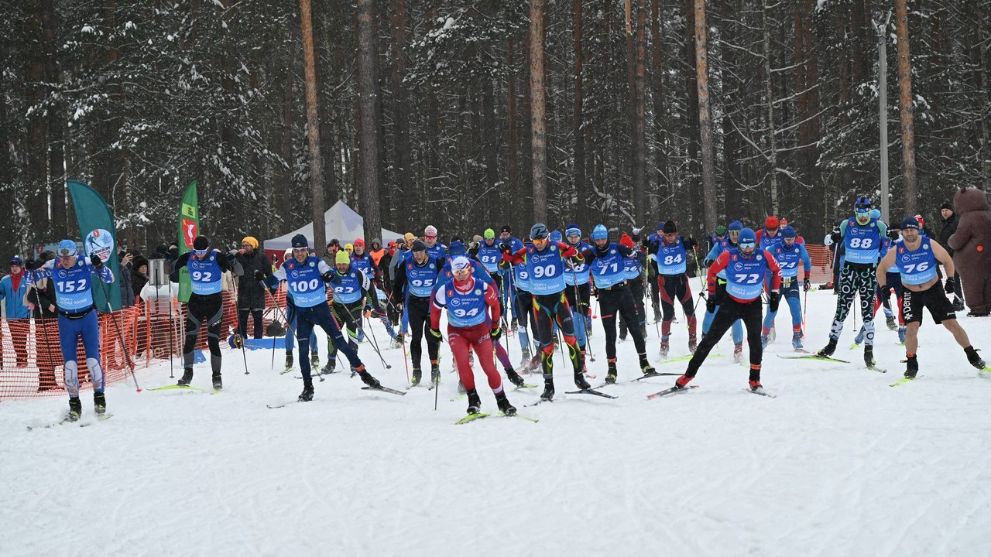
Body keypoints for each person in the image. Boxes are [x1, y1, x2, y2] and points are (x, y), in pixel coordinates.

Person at [265, 234, 381, 401]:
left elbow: (330, 273)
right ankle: (308, 388)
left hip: (321, 311)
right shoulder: (287, 265)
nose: (299, 254)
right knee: (303, 351)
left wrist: (329, 276)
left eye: (302, 250)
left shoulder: (316, 262)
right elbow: (273, 280)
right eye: (296, 250)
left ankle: (364, 374)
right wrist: (264, 280)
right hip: (303, 314)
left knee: (340, 342)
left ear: (307, 250)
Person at [673, 228, 781, 394]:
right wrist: (712, 295)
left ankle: (754, 380)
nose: (747, 249)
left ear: (755, 243)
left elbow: (776, 270)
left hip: (753, 305)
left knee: (755, 341)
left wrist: (774, 293)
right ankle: (688, 375)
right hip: (731, 303)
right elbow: (712, 272)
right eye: (744, 245)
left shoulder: (763, 255)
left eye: (751, 245)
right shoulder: (729, 255)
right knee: (710, 339)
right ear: (738, 244)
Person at [877, 216, 986, 378]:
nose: (909, 233)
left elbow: (948, 260)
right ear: (902, 232)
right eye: (906, 231)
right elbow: (881, 269)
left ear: (917, 230)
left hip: (933, 289)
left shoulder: (928, 244)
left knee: (951, 323)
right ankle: (912, 363)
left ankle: (972, 355)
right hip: (910, 293)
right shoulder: (897, 250)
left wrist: (950, 279)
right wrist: (884, 287)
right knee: (911, 327)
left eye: (912, 230)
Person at [504, 223, 590, 400]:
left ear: (547, 237)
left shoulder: (556, 247)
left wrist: (572, 254)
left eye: (542, 240)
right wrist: (505, 253)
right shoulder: (527, 252)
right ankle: (548, 386)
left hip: (559, 300)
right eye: (535, 240)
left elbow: (580, 260)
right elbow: (507, 263)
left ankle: (579, 377)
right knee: (547, 347)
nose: (539, 243)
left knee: (570, 340)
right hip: (540, 304)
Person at [33, 240, 115, 419]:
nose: (65, 261)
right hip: (66, 321)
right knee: (70, 365)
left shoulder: (84, 263)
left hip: (88, 318)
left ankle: (99, 398)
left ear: (74, 254)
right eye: (62, 257)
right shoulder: (53, 265)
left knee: (93, 361)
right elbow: (30, 279)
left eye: (68, 257)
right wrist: (32, 269)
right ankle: (74, 404)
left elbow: (110, 278)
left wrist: (99, 265)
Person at [430, 256, 517, 416]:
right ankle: (473, 399)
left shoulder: (481, 287)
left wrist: (496, 327)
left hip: (480, 330)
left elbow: (495, 306)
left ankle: (502, 400)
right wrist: (434, 329)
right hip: (457, 332)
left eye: (463, 271)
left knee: (488, 367)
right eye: (457, 272)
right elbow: (435, 310)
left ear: (470, 269)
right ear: (452, 273)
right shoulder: (445, 290)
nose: (461, 275)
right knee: (462, 364)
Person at [581, 224, 656, 383]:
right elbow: (575, 264)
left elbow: (636, 255)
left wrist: (643, 251)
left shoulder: (618, 248)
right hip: (606, 296)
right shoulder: (591, 253)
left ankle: (644, 362)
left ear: (607, 238)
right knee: (610, 334)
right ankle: (612, 369)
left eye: (603, 238)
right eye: (598, 239)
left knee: (635, 328)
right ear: (594, 239)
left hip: (623, 292)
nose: (600, 242)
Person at [818, 196, 888, 368]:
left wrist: (892, 237)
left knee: (867, 312)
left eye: (866, 212)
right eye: (859, 212)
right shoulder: (847, 224)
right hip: (850, 270)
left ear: (870, 211)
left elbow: (888, 244)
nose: (862, 216)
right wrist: (832, 236)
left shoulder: (878, 225)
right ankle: (831, 345)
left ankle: (868, 352)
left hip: (869, 272)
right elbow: (829, 240)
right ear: (855, 211)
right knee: (841, 309)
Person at [171, 236, 241, 390]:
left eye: (203, 251)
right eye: (197, 251)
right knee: (190, 338)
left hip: (214, 304)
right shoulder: (189, 257)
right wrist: (172, 265)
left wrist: (233, 262)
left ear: (208, 248)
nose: (200, 254)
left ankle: (217, 376)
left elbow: (239, 272)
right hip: (195, 302)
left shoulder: (217, 257)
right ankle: (187, 373)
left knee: (213, 341)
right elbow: (171, 269)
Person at [324, 249, 384, 374]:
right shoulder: (332, 273)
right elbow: (321, 287)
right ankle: (331, 363)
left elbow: (370, 289)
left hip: (354, 307)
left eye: (344, 264)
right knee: (332, 334)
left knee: (352, 334)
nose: (341, 266)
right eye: (339, 264)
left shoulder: (357, 273)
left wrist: (370, 306)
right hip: (337, 308)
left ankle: (354, 362)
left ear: (348, 263)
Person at [392, 239, 443, 385]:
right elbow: (398, 282)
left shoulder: (435, 262)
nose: (418, 256)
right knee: (416, 337)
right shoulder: (407, 263)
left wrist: (445, 299)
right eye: (415, 253)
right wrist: (398, 300)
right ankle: (416, 370)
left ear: (425, 252)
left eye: (421, 252)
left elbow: (445, 280)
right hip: (414, 304)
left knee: (431, 337)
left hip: (431, 305)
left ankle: (435, 368)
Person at [648, 220, 699, 357]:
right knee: (668, 314)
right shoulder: (658, 243)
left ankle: (693, 340)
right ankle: (664, 344)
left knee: (690, 311)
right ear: (663, 234)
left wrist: (694, 242)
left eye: (673, 234)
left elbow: (694, 246)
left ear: (676, 233)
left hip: (681, 281)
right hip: (666, 282)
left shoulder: (681, 241)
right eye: (667, 234)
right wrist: (644, 245)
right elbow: (644, 251)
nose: (670, 237)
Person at [702, 220, 747, 362]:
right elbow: (707, 258)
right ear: (729, 233)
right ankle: (704, 341)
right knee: (711, 311)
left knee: (736, 316)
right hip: (720, 284)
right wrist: (709, 261)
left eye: (737, 233)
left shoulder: (746, 246)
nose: (735, 236)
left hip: (736, 286)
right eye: (732, 233)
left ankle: (738, 348)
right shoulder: (721, 245)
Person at [762, 226, 811, 349]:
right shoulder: (775, 248)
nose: (789, 241)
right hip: (776, 283)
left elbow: (807, 260)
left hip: (791, 283)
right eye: (787, 239)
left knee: (795, 310)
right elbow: (763, 258)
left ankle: (796, 337)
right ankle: (764, 338)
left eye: (792, 239)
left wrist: (807, 278)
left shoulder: (798, 247)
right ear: (782, 238)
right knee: (772, 312)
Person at [280, 249, 318, 372]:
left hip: (305, 302)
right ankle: (289, 356)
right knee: (290, 330)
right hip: (291, 303)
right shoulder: (284, 268)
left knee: (309, 330)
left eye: (291, 256)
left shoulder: (304, 267)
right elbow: (276, 281)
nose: (290, 259)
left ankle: (314, 354)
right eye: (287, 257)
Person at [23, 260, 59, 390]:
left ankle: (54, 380)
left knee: (56, 351)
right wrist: (48, 305)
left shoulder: (54, 276)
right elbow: (31, 296)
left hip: (56, 319)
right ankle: (46, 382)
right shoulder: (38, 277)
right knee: (45, 352)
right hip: (44, 319)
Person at [232, 236, 273, 341]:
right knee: (242, 320)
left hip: (257, 293)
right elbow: (232, 268)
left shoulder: (262, 257)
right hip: (243, 292)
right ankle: (242, 340)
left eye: (247, 245)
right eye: (243, 245)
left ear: (253, 245)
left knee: (258, 320)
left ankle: (258, 341)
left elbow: (269, 274)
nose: (245, 247)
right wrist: (235, 256)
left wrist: (267, 282)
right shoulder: (240, 257)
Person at [562, 224, 592, 357]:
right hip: (568, 286)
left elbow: (596, 262)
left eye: (576, 236)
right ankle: (575, 348)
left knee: (580, 318)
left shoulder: (587, 248)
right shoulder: (562, 249)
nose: (573, 239)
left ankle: (582, 352)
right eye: (571, 237)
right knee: (573, 318)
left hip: (583, 286)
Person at [1, 256, 31, 368]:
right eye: (12, 266)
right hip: (11, 315)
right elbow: (1, 293)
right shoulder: (5, 280)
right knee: (15, 337)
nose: (14, 268)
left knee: (22, 337)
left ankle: (22, 358)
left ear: (21, 266)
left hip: (23, 313)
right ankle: (20, 357)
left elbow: (32, 292)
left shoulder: (27, 279)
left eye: (16, 266)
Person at [938, 202, 966, 311]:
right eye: (942, 211)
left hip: (956, 253)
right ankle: (957, 300)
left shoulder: (955, 222)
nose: (944, 212)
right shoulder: (946, 222)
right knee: (953, 277)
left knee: (955, 277)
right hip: (948, 253)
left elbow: (958, 238)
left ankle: (959, 301)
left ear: (952, 211)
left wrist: (949, 248)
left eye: (946, 210)